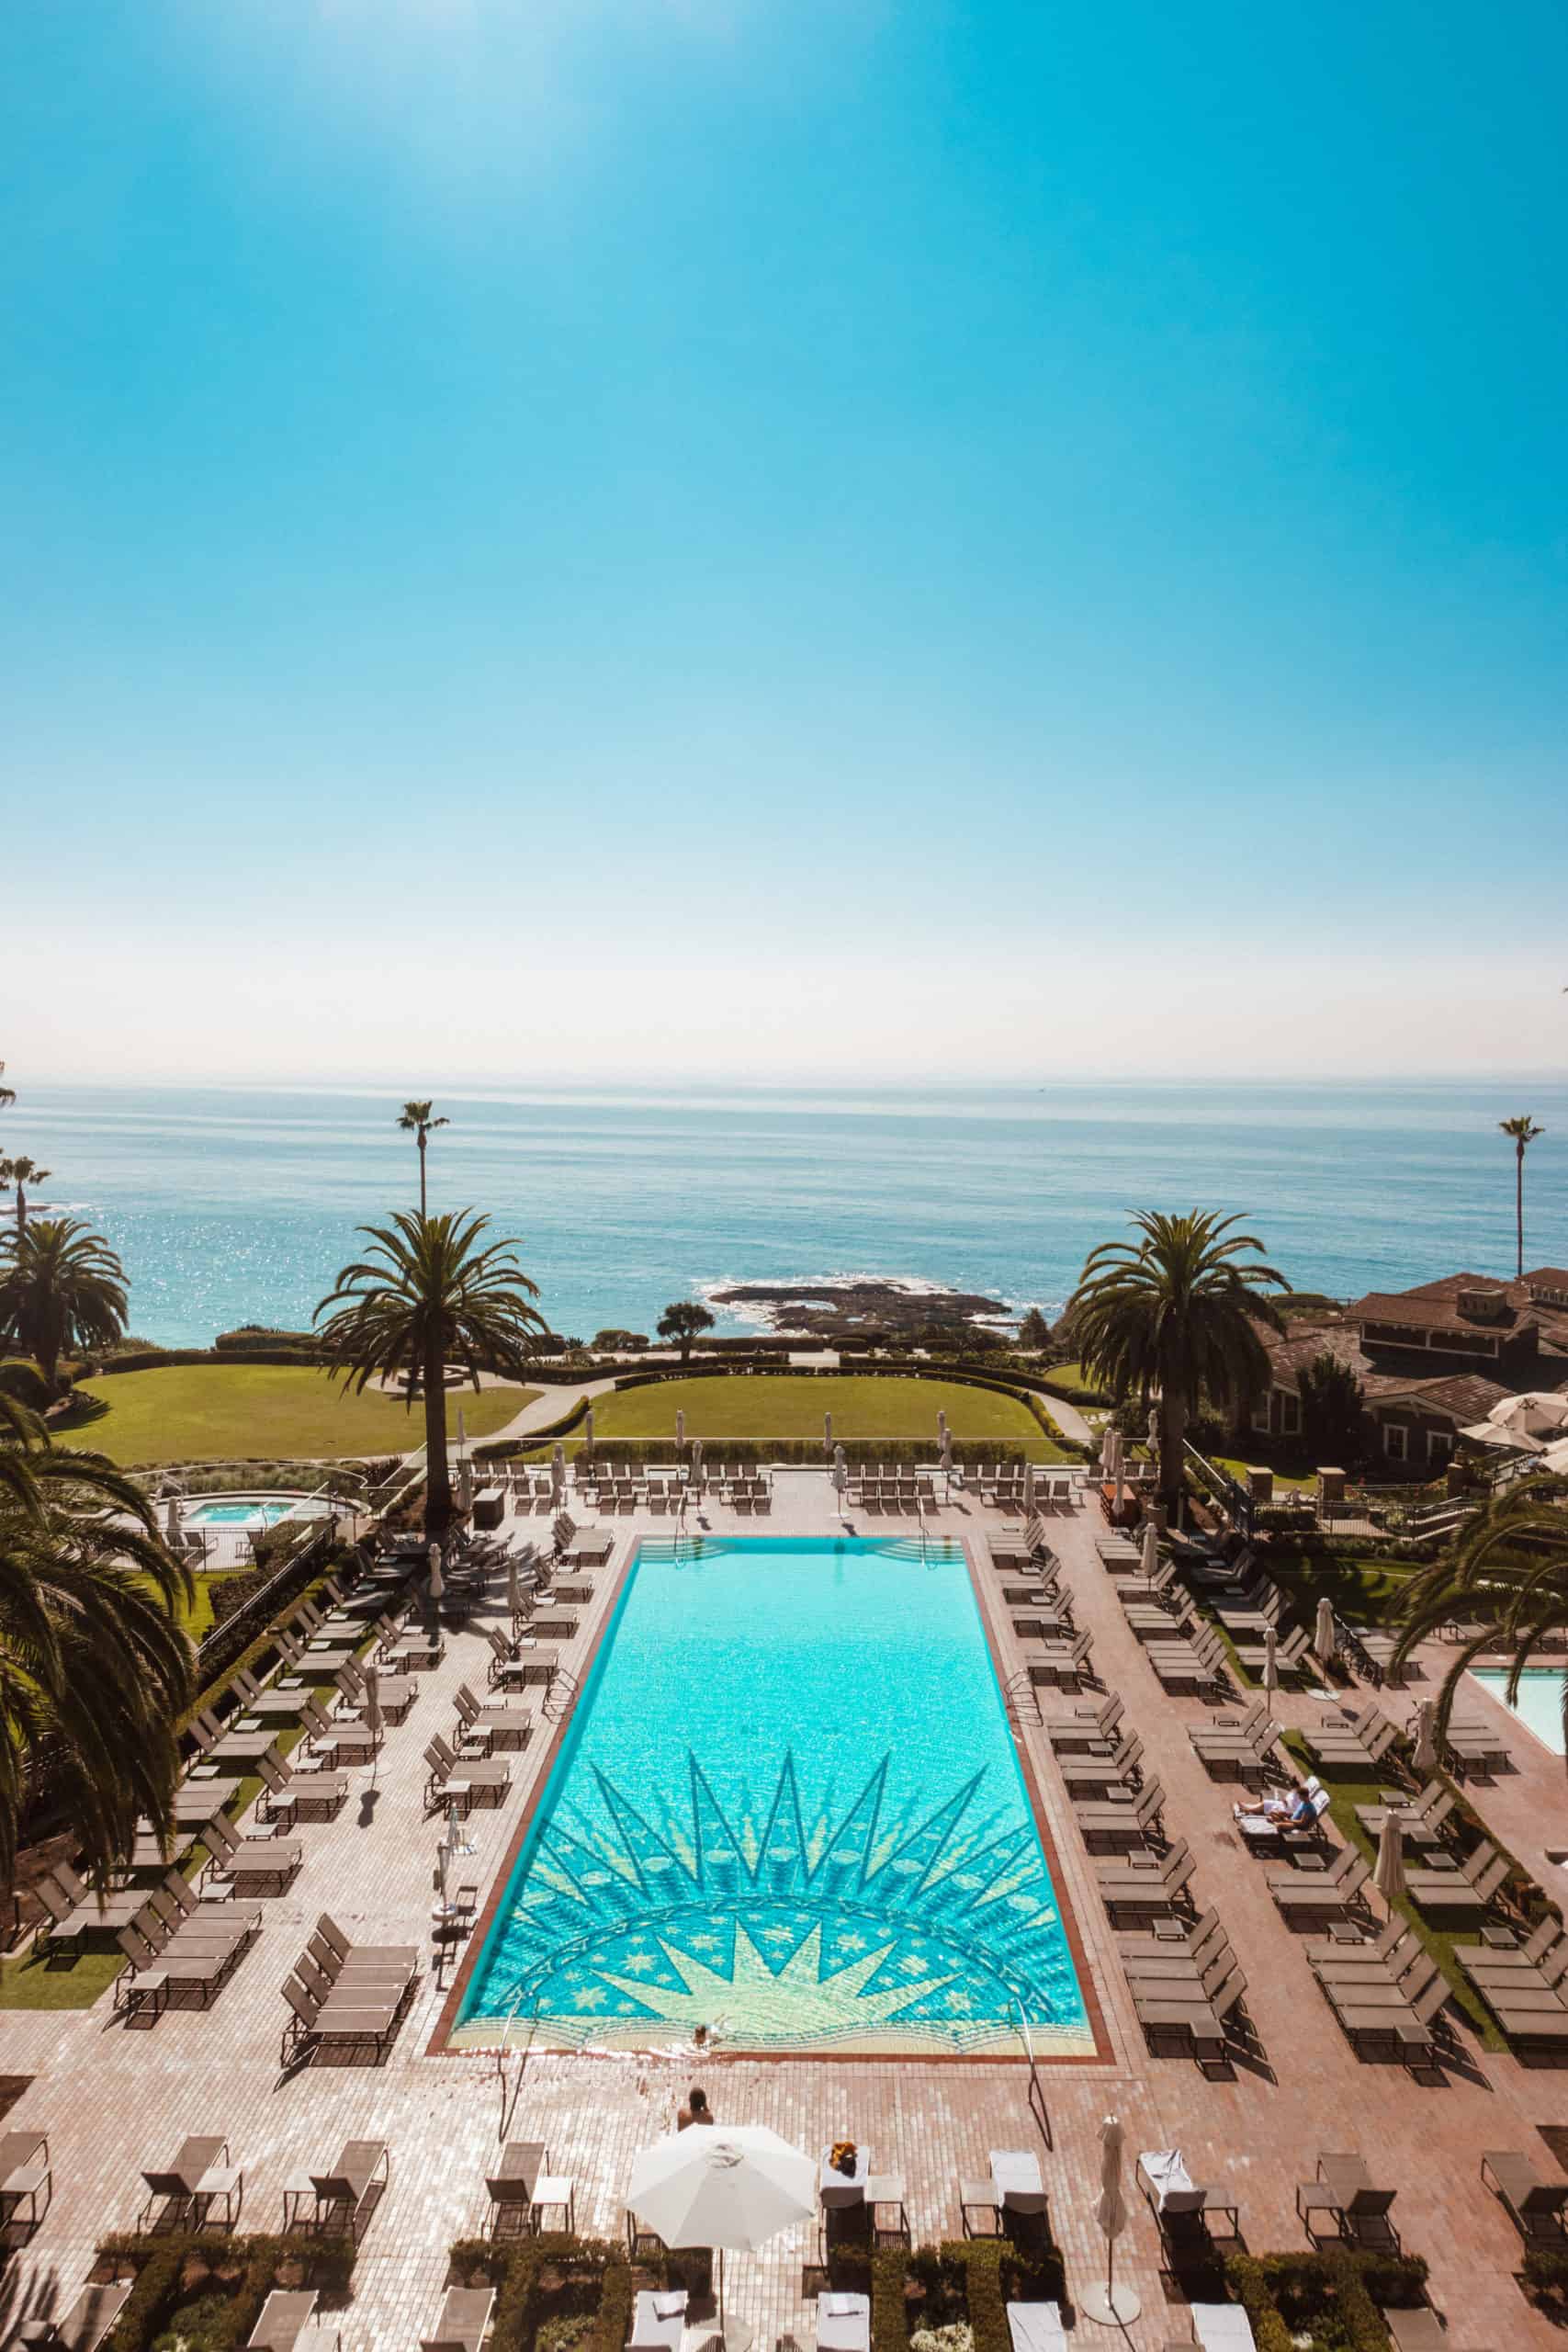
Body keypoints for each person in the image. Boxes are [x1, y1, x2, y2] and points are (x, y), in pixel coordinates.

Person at [1234, 1781, 1316, 1829]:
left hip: (1294, 1824)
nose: (1299, 1797)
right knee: (1272, 1812)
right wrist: (1287, 1815)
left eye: (1300, 1796)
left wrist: (1287, 1820)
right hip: (1290, 1817)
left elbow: (1302, 1823)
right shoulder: (1303, 1802)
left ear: (1304, 1796)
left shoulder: (1308, 1807)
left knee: (1279, 1825)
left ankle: (1277, 1822)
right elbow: (1295, 1812)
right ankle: (1277, 1820)